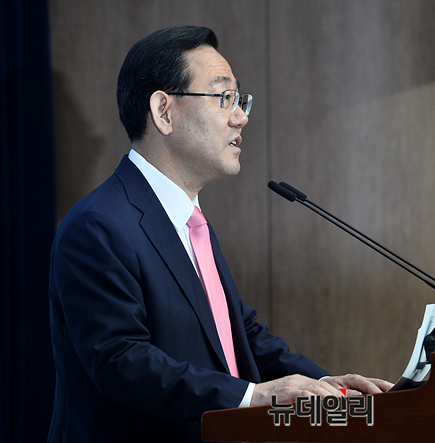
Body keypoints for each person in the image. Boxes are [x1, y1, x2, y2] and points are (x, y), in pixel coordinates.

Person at [47, 25, 391, 443]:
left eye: (240, 100)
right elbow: (121, 361)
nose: (241, 116)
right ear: (164, 112)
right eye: (224, 97)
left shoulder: (189, 222)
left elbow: (239, 334)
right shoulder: (97, 225)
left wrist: (325, 385)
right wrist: (253, 396)